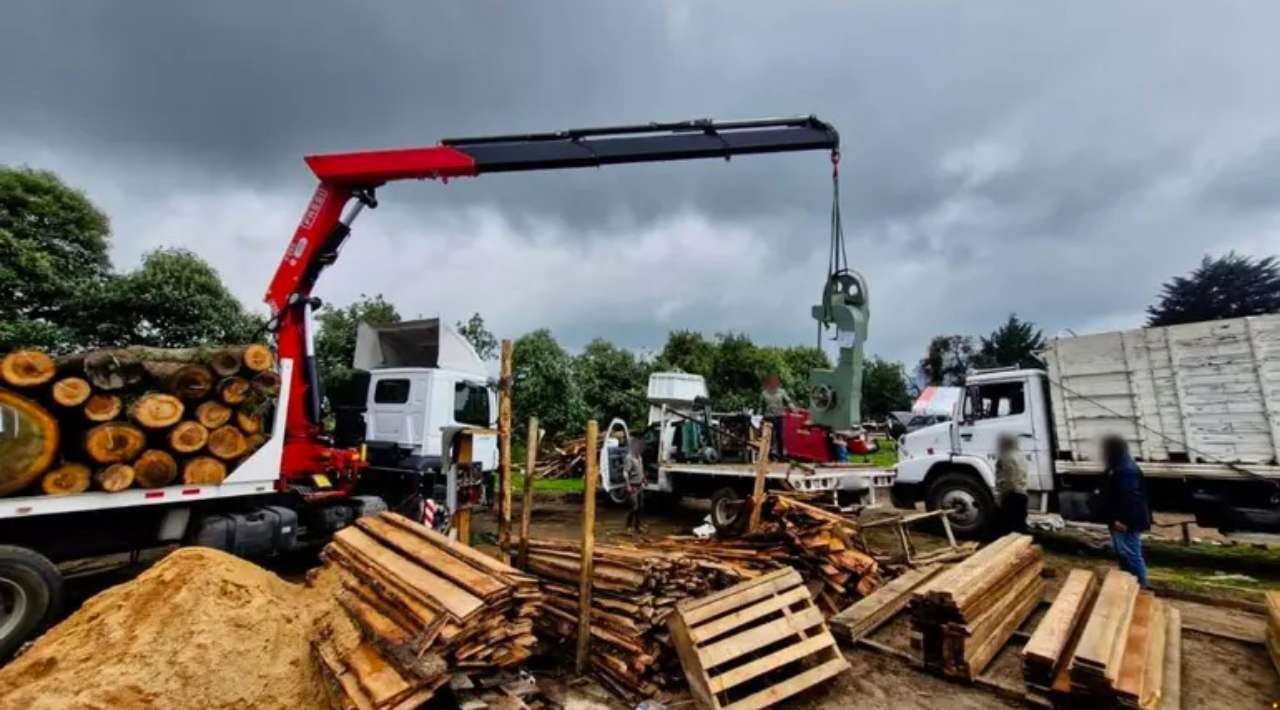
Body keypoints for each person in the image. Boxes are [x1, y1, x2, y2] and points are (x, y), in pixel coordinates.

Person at [1100, 434, 1150, 587]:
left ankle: (1141, 587)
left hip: (1126, 521)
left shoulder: (1125, 470)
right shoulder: (1119, 466)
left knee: (1131, 554)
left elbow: (1130, 498)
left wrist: (1123, 520)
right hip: (1120, 519)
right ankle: (1128, 586)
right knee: (1124, 554)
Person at [994, 432, 1028, 534]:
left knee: (1009, 527)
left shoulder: (1006, 457)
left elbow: (1008, 480)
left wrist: (1001, 496)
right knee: (1020, 525)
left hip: (1011, 495)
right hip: (1022, 493)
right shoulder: (1020, 456)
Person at [622, 440, 646, 533]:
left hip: (640, 485)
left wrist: (644, 479)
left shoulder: (639, 457)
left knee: (641, 507)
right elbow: (625, 472)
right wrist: (628, 485)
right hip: (632, 486)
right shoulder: (629, 458)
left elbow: (641, 470)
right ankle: (628, 525)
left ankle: (638, 526)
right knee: (634, 507)